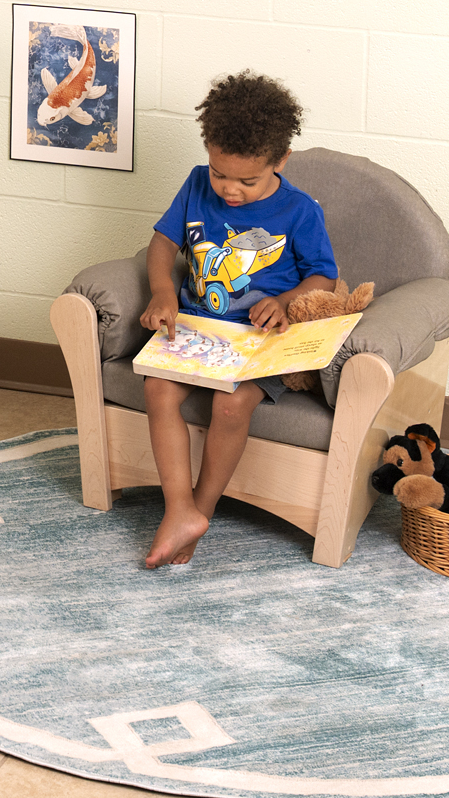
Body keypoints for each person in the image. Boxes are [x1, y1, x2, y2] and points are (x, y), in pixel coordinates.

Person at [138, 72, 338, 568]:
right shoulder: (195, 184)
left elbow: (325, 278)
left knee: (230, 407)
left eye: (247, 181)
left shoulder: (300, 211)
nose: (229, 190)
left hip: (258, 339)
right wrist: (163, 292)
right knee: (157, 389)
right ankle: (178, 509)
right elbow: (163, 243)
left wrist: (287, 301)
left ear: (280, 160)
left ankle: (200, 511)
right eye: (219, 174)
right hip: (196, 328)